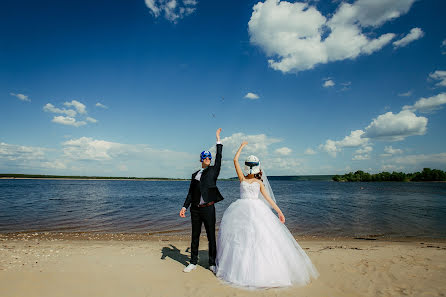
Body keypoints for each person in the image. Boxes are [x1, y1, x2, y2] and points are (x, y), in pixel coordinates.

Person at [215, 141, 319, 288]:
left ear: (255, 169)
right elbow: (234, 160)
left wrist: (279, 211)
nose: (250, 169)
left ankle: (259, 269)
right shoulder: (242, 179)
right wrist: (241, 147)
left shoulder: (259, 182)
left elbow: (268, 199)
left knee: (259, 238)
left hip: (255, 210)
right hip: (241, 211)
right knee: (241, 239)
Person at [180, 128, 224, 273]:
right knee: (195, 236)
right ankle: (193, 262)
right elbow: (190, 193)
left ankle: (212, 264)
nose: (208, 159)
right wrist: (184, 207)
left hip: (208, 208)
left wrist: (218, 140)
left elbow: (219, 158)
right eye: (205, 157)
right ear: (201, 159)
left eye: (209, 158)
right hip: (195, 209)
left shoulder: (213, 171)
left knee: (211, 236)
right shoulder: (194, 174)